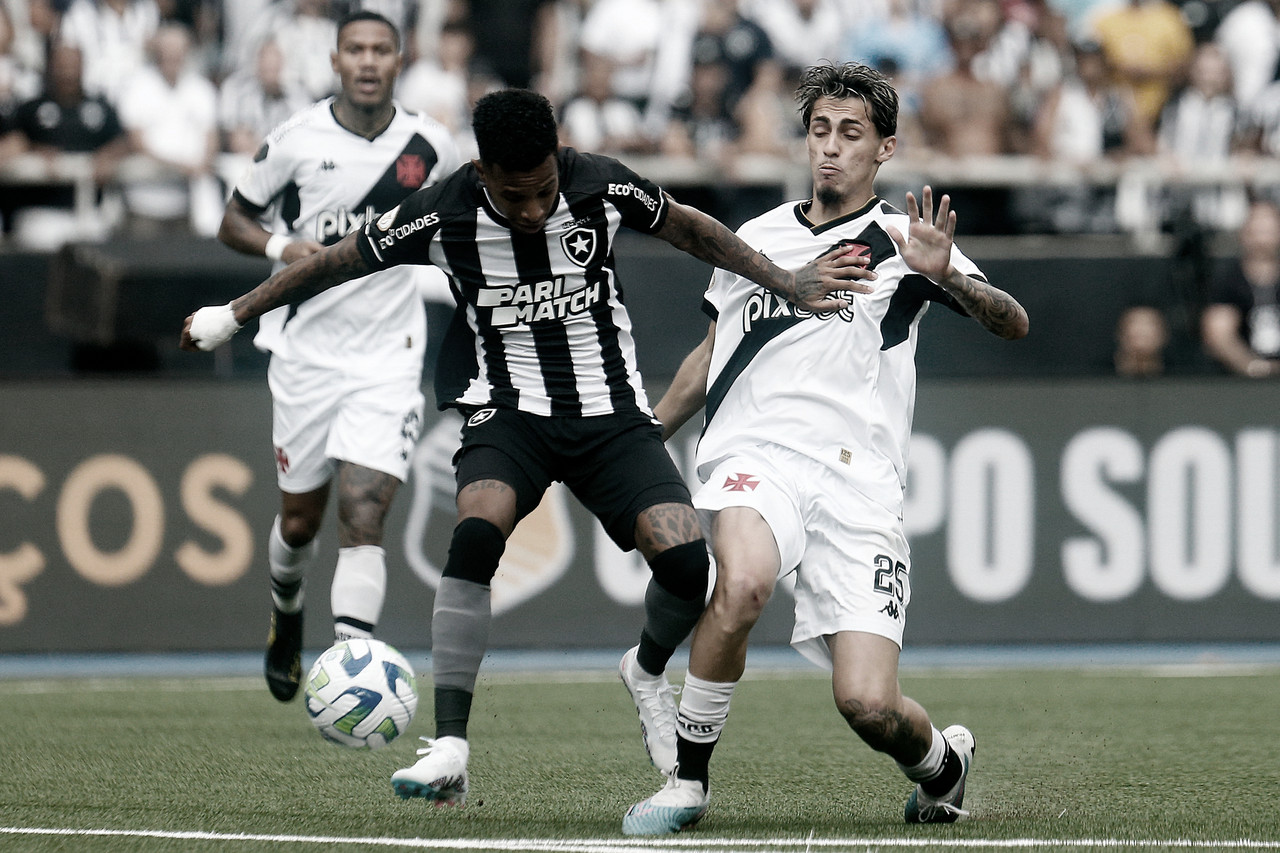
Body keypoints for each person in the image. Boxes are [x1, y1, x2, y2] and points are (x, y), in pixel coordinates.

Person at [180, 86, 865, 804]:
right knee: (475, 532)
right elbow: (336, 261)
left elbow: (694, 231)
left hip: (608, 413)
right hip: (506, 411)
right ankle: (449, 746)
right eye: (516, 196)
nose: (535, 209)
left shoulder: (599, 181)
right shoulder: (442, 210)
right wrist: (234, 314)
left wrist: (787, 281)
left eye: (543, 190)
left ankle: (646, 669)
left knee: (690, 565)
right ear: (483, 172)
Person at [621, 61, 1029, 835]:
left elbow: (1013, 322)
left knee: (868, 704)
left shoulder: (909, 240)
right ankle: (687, 779)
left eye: (851, 134)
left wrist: (955, 280)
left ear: (885, 149)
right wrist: (640, 442)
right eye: (819, 132)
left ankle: (944, 763)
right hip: (755, 450)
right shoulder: (757, 238)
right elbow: (709, 355)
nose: (831, 149)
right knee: (740, 582)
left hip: (857, 482)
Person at [211, 9, 461, 702]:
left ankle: (354, 665)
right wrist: (278, 248)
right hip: (307, 352)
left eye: (382, 49)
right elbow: (233, 218)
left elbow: (463, 222)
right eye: (357, 49)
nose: (370, 60)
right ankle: (286, 608)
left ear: (400, 60)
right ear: (335, 60)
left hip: (389, 354)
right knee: (299, 521)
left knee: (365, 510)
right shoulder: (295, 140)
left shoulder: (431, 144)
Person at [1201, 198, 1280, 378]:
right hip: (1241, 380)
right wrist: (1253, 367)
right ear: (1244, 233)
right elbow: (1218, 334)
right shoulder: (1229, 279)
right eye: (1257, 230)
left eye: (1269, 230)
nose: (1262, 238)